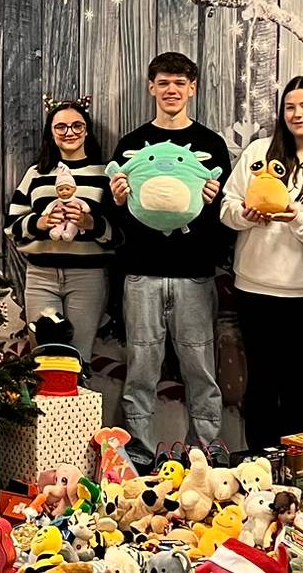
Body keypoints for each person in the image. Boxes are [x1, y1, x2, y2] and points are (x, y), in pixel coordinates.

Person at [108, 52, 233, 470]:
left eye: (180, 83)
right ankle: (140, 454)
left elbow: (225, 218)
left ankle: (205, 452)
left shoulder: (212, 145)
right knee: (141, 368)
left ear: (193, 88)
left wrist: (214, 206)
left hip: (195, 275)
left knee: (200, 367)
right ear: (151, 87)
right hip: (141, 273)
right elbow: (119, 220)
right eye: (163, 83)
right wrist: (120, 202)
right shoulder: (130, 145)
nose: (172, 90)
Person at [221, 74, 303, 450]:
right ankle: (259, 465)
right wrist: (246, 216)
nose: (297, 114)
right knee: (261, 382)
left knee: (300, 382)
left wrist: (298, 218)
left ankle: (298, 474)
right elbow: (226, 207)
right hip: (254, 286)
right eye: (290, 107)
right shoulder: (258, 152)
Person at [6, 97, 117, 361]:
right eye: (61, 127)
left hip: (87, 278)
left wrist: (90, 224)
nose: (69, 132)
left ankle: (79, 402)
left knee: (78, 359)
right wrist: (41, 223)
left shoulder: (104, 174)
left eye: (77, 126)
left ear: (87, 131)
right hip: (41, 277)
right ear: (51, 133)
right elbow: (12, 227)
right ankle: (43, 404)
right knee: (45, 358)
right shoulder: (36, 174)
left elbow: (119, 233)